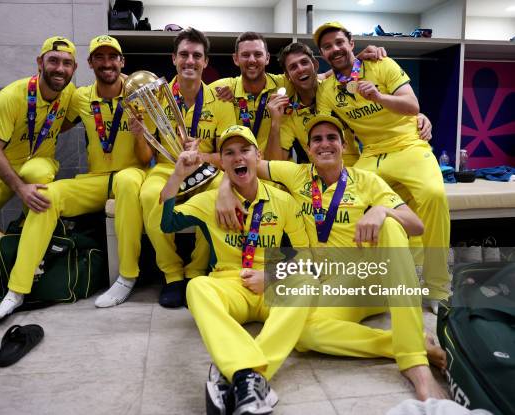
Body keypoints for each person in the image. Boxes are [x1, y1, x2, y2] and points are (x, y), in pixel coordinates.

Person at [217, 115, 448, 401]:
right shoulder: (296, 174)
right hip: (332, 284)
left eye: (331, 138)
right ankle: (400, 343)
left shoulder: (366, 181)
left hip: (371, 280)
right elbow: (243, 164)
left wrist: (382, 211)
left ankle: (415, 362)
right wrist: (224, 190)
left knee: (390, 225)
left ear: (343, 144)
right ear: (309, 148)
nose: (324, 144)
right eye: (317, 139)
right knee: (304, 334)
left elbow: (416, 224)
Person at [0, 35, 153, 319]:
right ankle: (16, 290)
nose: (107, 63)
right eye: (100, 57)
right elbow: (54, 122)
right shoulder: (81, 97)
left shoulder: (139, 93)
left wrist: (140, 131)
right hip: (96, 179)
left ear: (122, 62)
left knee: (126, 181)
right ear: (89, 64)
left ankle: (126, 277)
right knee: (46, 196)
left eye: (113, 57)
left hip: (131, 174)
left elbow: (148, 158)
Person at [160, 125, 311, 414]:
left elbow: (304, 254)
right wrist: (178, 174)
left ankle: (241, 374)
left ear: (258, 156)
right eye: (229, 153)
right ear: (222, 161)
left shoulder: (283, 200)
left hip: (269, 283)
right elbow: (167, 223)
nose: (237, 157)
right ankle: (249, 378)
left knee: (305, 284)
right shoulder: (208, 201)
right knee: (196, 287)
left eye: (245, 150)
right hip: (230, 285)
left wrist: (271, 275)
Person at [313, 22, 451, 307]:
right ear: (323, 53)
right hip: (372, 154)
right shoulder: (327, 89)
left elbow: (412, 106)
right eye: (327, 46)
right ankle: (366, 280)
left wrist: (377, 96)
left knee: (433, 196)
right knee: (347, 202)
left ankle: (438, 287)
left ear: (351, 43)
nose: (334, 49)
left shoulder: (382, 63)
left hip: (409, 144)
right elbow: (336, 134)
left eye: (339, 42)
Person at [0, 37, 77, 323]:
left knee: (37, 173)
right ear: (40, 63)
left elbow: (75, 116)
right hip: (1, 164)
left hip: (38, 163)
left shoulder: (70, 94)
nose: (60, 68)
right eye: (54, 61)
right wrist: (18, 188)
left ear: (74, 68)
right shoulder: (12, 95)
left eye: (67, 63)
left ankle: (28, 234)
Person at [138, 27, 236, 308]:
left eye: (196, 55)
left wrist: (202, 157)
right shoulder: (156, 98)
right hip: (167, 168)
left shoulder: (219, 101)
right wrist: (138, 133)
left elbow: (228, 155)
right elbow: (146, 155)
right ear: (173, 59)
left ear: (206, 62)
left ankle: (196, 270)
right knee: (148, 195)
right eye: (184, 54)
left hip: (206, 170)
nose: (189, 61)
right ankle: (172, 275)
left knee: (219, 193)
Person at [266, 41, 433, 165]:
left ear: (315, 65)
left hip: (358, 169)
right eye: (293, 67)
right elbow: (274, 162)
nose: (301, 69)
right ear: (288, 76)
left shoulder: (339, 87)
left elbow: (375, 106)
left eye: (304, 63)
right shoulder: (290, 113)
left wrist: (417, 115)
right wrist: (275, 123)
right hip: (323, 178)